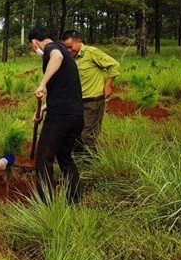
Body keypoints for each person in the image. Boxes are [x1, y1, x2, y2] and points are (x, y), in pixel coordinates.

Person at [29, 27, 84, 204]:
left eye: (32, 47)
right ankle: (74, 201)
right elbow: (65, 88)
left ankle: (45, 204)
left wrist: (42, 84)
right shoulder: (66, 52)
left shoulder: (53, 49)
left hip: (60, 116)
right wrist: (44, 107)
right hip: (75, 114)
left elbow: (56, 58)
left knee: (43, 157)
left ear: (34, 42)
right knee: (65, 158)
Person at [61, 30, 120, 156]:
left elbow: (114, 65)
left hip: (93, 101)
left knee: (87, 135)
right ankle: (78, 160)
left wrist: (108, 86)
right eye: (66, 48)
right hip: (76, 103)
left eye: (70, 47)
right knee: (75, 133)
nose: (69, 50)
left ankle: (91, 163)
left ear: (79, 42)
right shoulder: (69, 58)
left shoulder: (92, 53)